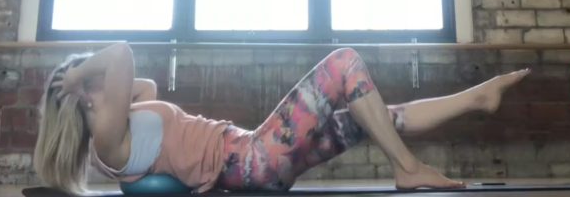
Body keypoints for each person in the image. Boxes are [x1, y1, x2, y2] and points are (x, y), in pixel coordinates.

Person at [34, 44, 530, 195]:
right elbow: (120, 54)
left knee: (372, 116)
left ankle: (474, 98)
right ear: (83, 98)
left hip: (254, 159)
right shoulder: (105, 136)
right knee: (343, 63)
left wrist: (84, 82)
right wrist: (80, 73)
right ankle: (408, 168)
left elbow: (145, 88)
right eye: (88, 82)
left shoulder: (123, 120)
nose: (100, 78)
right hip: (251, 159)